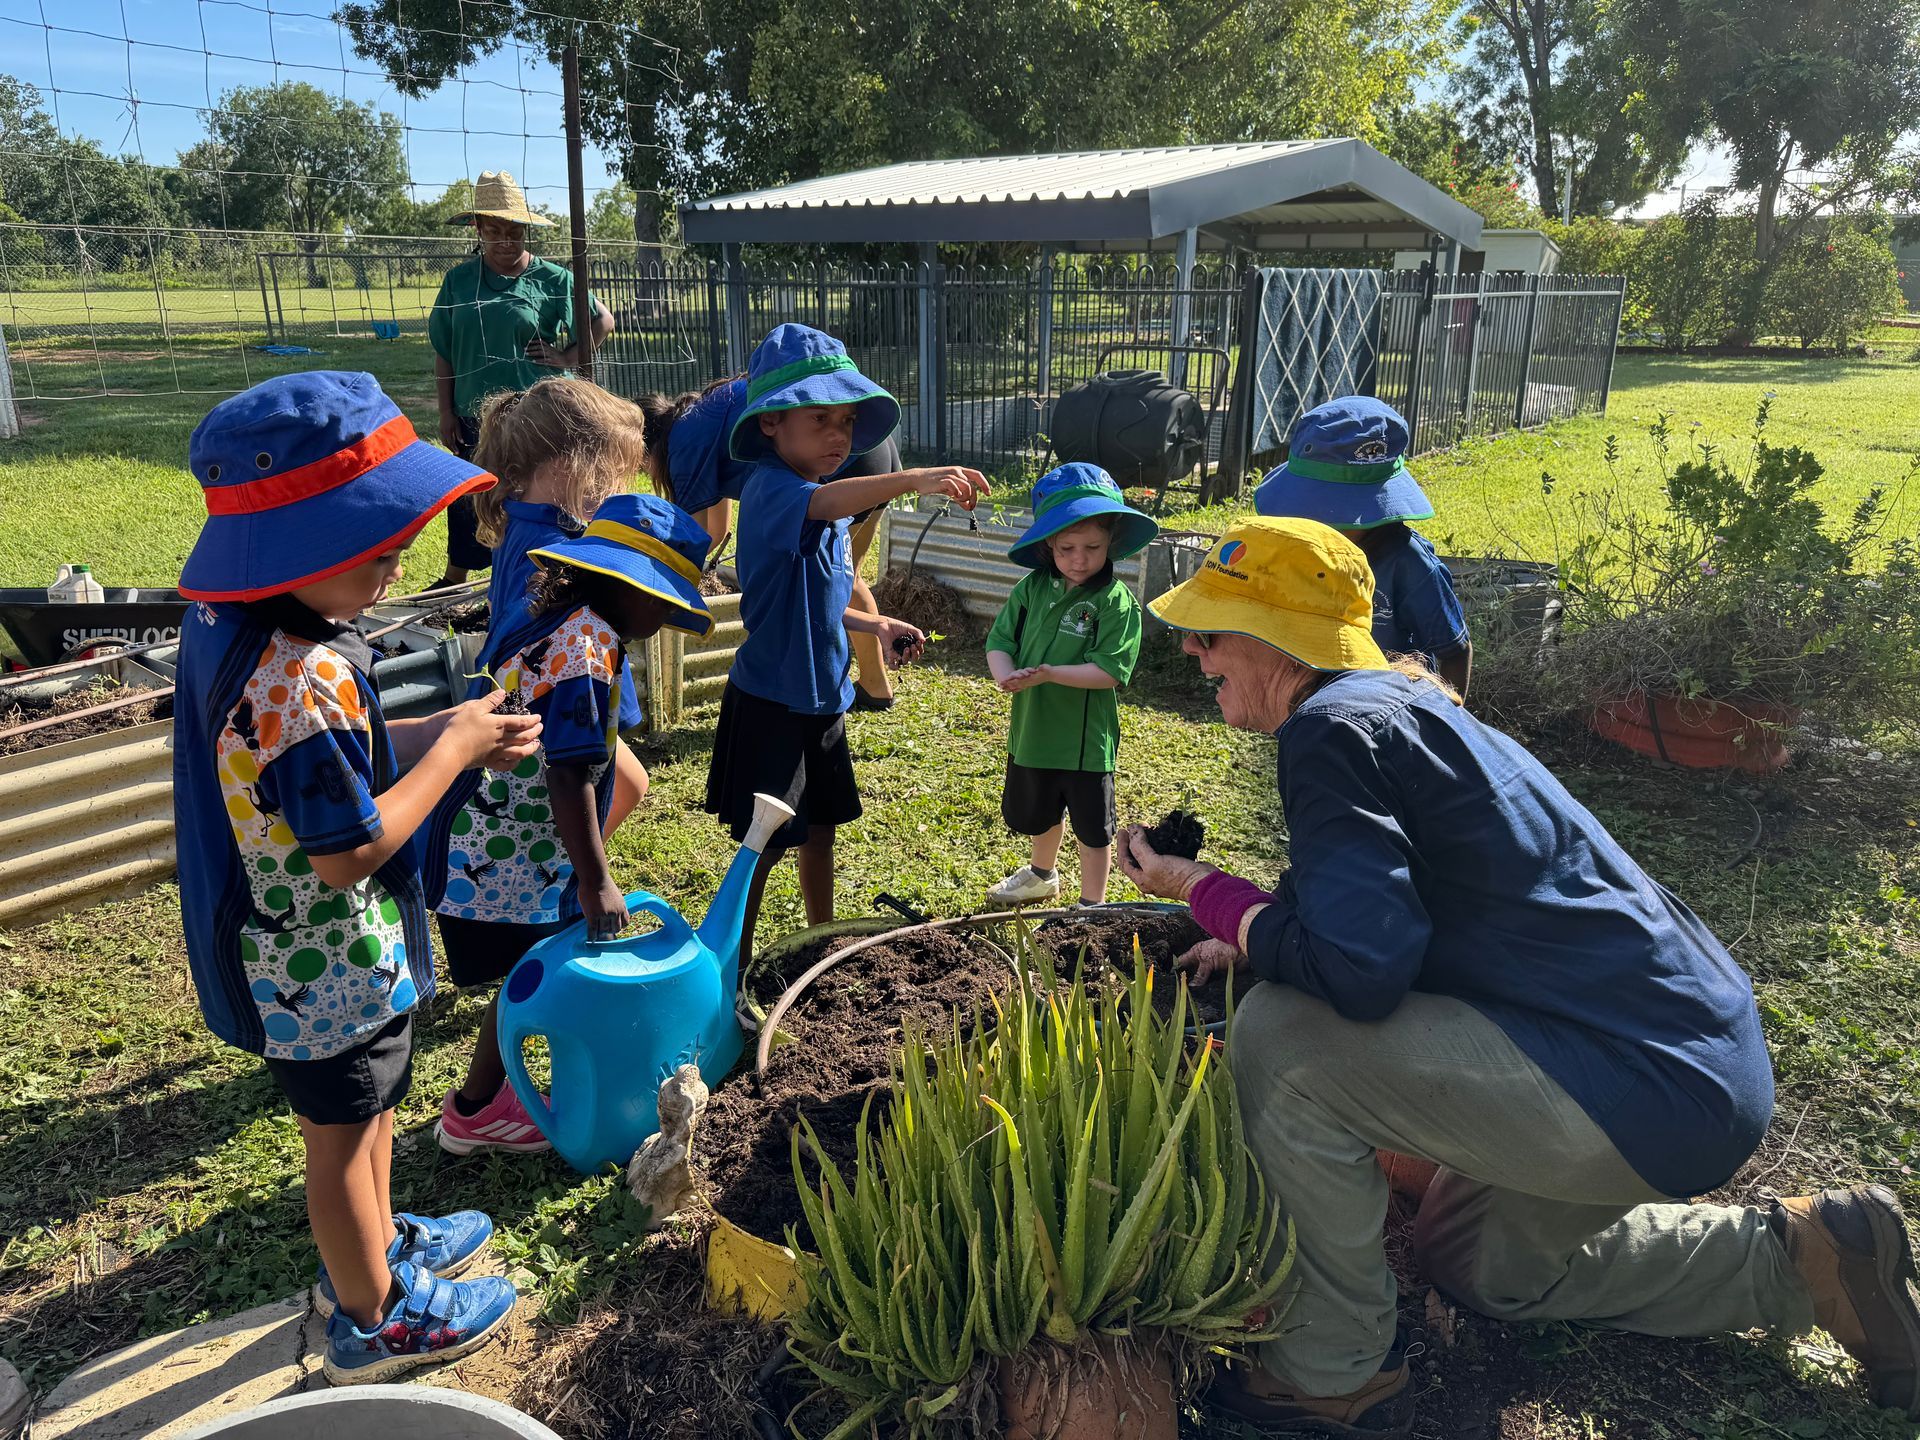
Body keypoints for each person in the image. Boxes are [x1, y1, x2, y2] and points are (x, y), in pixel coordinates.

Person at [1112, 514, 1920, 1432]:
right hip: (1681, 1058)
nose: (1189, 645)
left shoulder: (1329, 732)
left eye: (1210, 629)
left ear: (1276, 641)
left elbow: (1360, 973)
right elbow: (1369, 900)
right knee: (1483, 1269)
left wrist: (1203, 890)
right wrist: (1249, 928)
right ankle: (1805, 1259)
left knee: (1283, 1040)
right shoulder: (1394, 704)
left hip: (1633, 1076)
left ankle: (1329, 1374)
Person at [172, 371, 541, 1383]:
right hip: (322, 959)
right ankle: (372, 1315)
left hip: (313, 956)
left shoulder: (245, 631)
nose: (398, 562)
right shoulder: (306, 677)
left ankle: (378, 1245)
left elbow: (315, 769)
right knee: (338, 1140)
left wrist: (435, 732)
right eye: (377, 547)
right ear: (300, 545)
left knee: (369, 1107)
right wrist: (454, 751)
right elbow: (351, 849)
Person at [425, 494, 714, 1155]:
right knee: (532, 973)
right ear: (623, 584)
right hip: (513, 849)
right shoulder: (588, 647)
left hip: (500, 830)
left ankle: (490, 1101)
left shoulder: (553, 615)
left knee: (527, 970)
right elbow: (568, 774)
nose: (667, 615)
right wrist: (596, 881)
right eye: (662, 598)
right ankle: (475, 1111)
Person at [706, 323, 987, 961]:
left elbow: (825, 602)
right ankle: (732, 959)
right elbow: (825, 500)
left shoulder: (831, 516)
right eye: (821, 418)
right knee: (763, 844)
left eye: (848, 420)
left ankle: (817, 937)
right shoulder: (775, 491)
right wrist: (913, 477)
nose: (840, 435)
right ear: (771, 423)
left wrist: (876, 625)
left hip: (824, 697)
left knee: (821, 827)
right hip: (772, 702)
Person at [642, 375, 909, 709]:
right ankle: (875, 686)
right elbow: (716, 531)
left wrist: (650, 575)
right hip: (870, 449)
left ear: (648, 446)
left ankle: (822, 685)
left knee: (838, 582)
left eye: (641, 463)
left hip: (842, 463)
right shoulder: (701, 418)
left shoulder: (682, 444)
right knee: (847, 577)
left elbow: (691, 540)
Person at [471, 376, 653, 832]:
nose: (616, 487)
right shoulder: (561, 549)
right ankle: (573, 876)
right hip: (547, 701)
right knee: (588, 794)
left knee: (629, 783)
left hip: (522, 691)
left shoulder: (523, 518)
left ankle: (573, 871)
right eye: (612, 472)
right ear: (572, 465)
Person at [426, 170, 615, 588]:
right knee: (471, 493)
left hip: (537, 413)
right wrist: (445, 410)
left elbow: (603, 320)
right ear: (477, 229)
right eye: (494, 231)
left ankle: (528, 573)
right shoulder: (459, 281)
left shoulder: (554, 278)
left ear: (526, 230)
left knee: (531, 492)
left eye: (514, 231)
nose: (506, 241)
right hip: (474, 411)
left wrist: (567, 356)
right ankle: (455, 578)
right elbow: (443, 349)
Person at [983, 463, 1155, 908]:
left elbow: (1111, 671)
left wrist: (1049, 673)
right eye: (1066, 549)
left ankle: (1091, 904)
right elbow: (1000, 641)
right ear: (1048, 546)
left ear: (1111, 540)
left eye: (1092, 547)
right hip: (1033, 733)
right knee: (1042, 813)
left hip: (1085, 745)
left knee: (1091, 828)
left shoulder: (1115, 602)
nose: (1079, 559)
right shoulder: (1030, 589)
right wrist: (1004, 674)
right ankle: (1042, 875)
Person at [1254, 395, 1472, 697]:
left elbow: (1455, 650)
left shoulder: (1410, 565)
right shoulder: (1305, 548)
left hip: (1397, 709)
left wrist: (1450, 720)